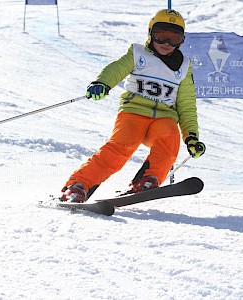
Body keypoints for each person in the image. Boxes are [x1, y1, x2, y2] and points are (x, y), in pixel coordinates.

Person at [61, 9, 205, 203]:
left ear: (182, 41)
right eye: (161, 36)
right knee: (120, 148)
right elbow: (117, 68)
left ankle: (148, 180)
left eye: (174, 39)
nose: (167, 44)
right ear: (150, 34)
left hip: (163, 118)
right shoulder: (138, 54)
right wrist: (102, 83)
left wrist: (192, 137)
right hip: (133, 113)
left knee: (170, 136)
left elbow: (187, 105)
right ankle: (78, 185)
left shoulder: (184, 67)